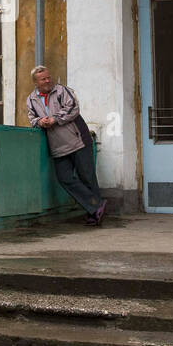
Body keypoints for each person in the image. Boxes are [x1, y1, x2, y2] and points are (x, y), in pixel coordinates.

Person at [27, 65, 107, 226]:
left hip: (78, 140)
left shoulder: (62, 91)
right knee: (64, 178)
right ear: (36, 82)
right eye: (43, 79)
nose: (48, 80)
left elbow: (73, 109)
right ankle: (96, 206)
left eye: (49, 77)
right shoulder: (31, 99)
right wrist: (40, 121)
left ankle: (94, 214)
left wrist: (54, 119)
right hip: (57, 145)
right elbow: (32, 118)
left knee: (87, 177)